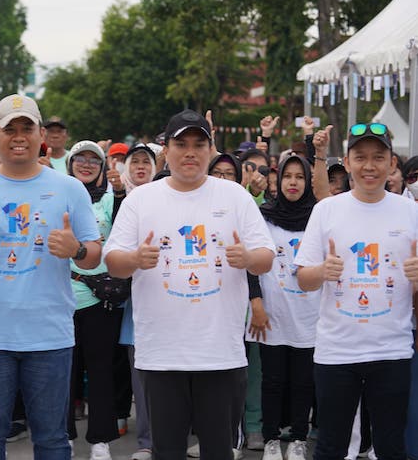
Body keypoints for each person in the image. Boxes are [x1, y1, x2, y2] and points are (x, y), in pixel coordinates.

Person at [103, 109, 275, 460]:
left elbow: (266, 257)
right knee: (167, 451)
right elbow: (113, 262)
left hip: (220, 353)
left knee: (218, 451)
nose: (191, 153)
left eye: (199, 144)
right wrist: (135, 259)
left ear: (211, 149)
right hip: (161, 354)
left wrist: (247, 257)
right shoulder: (141, 200)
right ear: (166, 149)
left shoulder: (234, 196)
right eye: (181, 144)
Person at [0, 94, 102, 459]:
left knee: (52, 439)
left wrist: (76, 249)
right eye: (9, 129)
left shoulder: (69, 188)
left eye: (26, 128)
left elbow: (94, 256)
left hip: (49, 336)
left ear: (41, 134)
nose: (18, 137)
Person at [295, 122, 418, 460]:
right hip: (337, 352)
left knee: (391, 447)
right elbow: (303, 278)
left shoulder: (411, 212)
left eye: (378, 157)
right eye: (360, 157)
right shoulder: (326, 210)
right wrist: (322, 271)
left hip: (392, 351)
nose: (369, 166)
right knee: (331, 447)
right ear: (347, 162)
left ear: (392, 163)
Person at [246, 156, 321, 460]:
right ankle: (271, 440)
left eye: (300, 177)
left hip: (309, 314)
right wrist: (256, 303)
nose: (293, 182)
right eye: (287, 176)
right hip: (271, 313)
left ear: (307, 182)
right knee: (272, 381)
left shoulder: (318, 217)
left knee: (304, 382)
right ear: (277, 181)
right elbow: (252, 264)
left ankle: (299, 438)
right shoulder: (264, 216)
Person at [65, 141, 126, 460]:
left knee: (101, 370)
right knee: (63, 370)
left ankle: (100, 439)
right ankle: (63, 435)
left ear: (102, 167)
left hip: (99, 298)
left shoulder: (110, 199)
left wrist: (120, 192)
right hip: (61, 297)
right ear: (70, 163)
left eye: (94, 160)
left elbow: (122, 236)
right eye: (80, 159)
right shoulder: (58, 195)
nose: (86, 164)